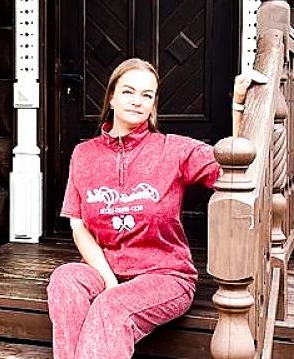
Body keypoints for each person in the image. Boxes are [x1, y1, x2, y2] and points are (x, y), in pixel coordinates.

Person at [47, 58, 251, 359]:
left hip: (165, 275)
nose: (137, 101)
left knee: (111, 307)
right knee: (65, 280)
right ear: (112, 97)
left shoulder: (173, 149)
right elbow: (78, 226)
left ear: (153, 104)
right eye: (128, 91)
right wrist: (109, 280)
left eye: (147, 95)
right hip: (106, 269)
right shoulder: (84, 154)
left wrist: (238, 106)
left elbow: (233, 165)